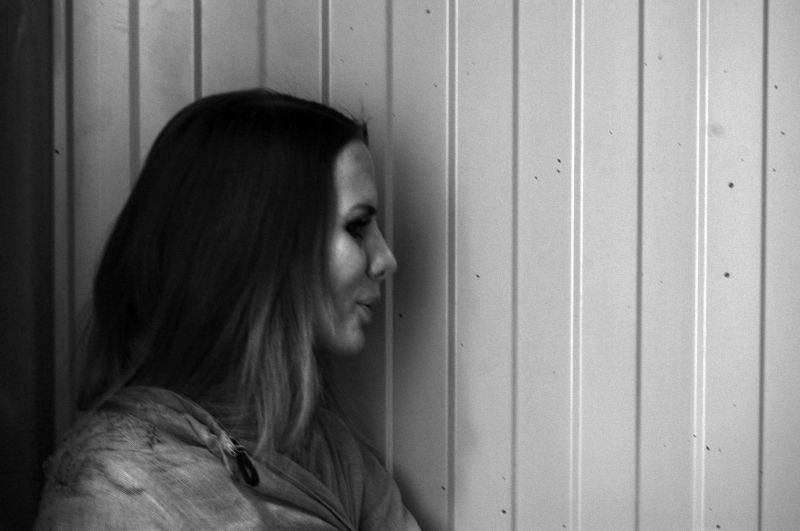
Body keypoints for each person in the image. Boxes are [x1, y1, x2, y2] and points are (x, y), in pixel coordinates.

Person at [34, 89, 418, 530]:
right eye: (357, 226)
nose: (385, 259)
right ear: (261, 244)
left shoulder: (327, 451)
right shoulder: (117, 488)